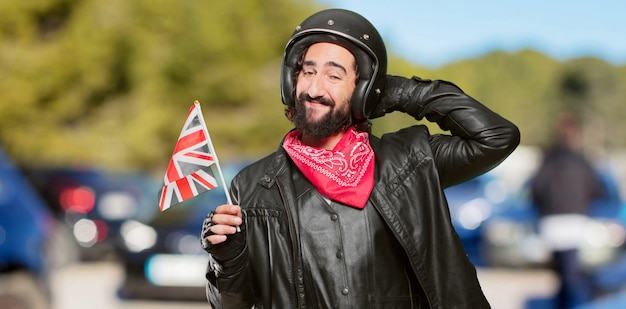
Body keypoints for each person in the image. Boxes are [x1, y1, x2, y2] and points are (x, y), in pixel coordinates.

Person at [200, 8, 520, 309]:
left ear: (361, 89)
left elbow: (496, 137)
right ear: (290, 82)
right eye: (307, 72)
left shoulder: (410, 161)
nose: (314, 87)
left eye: (334, 76)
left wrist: (397, 92)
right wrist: (227, 260)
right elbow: (231, 304)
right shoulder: (252, 185)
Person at [531, 113, 604, 309]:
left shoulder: (548, 161)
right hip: (574, 222)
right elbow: (597, 189)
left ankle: (567, 303)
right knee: (571, 274)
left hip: (552, 223)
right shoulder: (582, 162)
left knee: (564, 273)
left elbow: (536, 190)